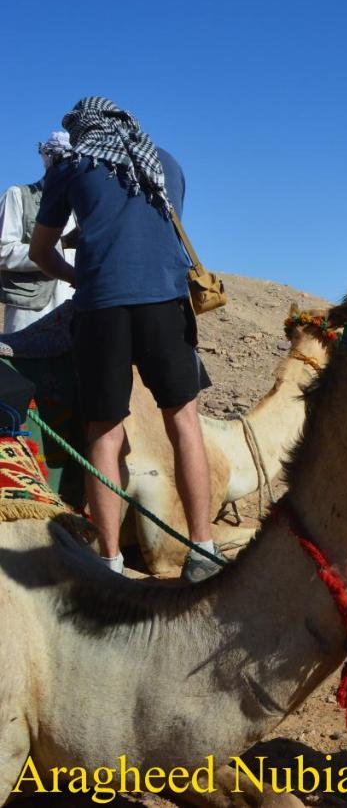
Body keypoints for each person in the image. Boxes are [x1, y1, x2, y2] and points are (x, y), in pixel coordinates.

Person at [29, 97, 223, 582]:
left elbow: (40, 251)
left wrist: (79, 275)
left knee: (105, 431)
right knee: (184, 423)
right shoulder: (166, 162)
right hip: (166, 302)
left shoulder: (73, 165)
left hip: (101, 308)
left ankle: (110, 561)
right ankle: (203, 547)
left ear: (81, 130)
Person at [0, 133, 79, 333]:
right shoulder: (18, 196)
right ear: (48, 158)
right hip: (30, 310)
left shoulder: (83, 207)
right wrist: (57, 246)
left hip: (75, 308)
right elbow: (3, 250)